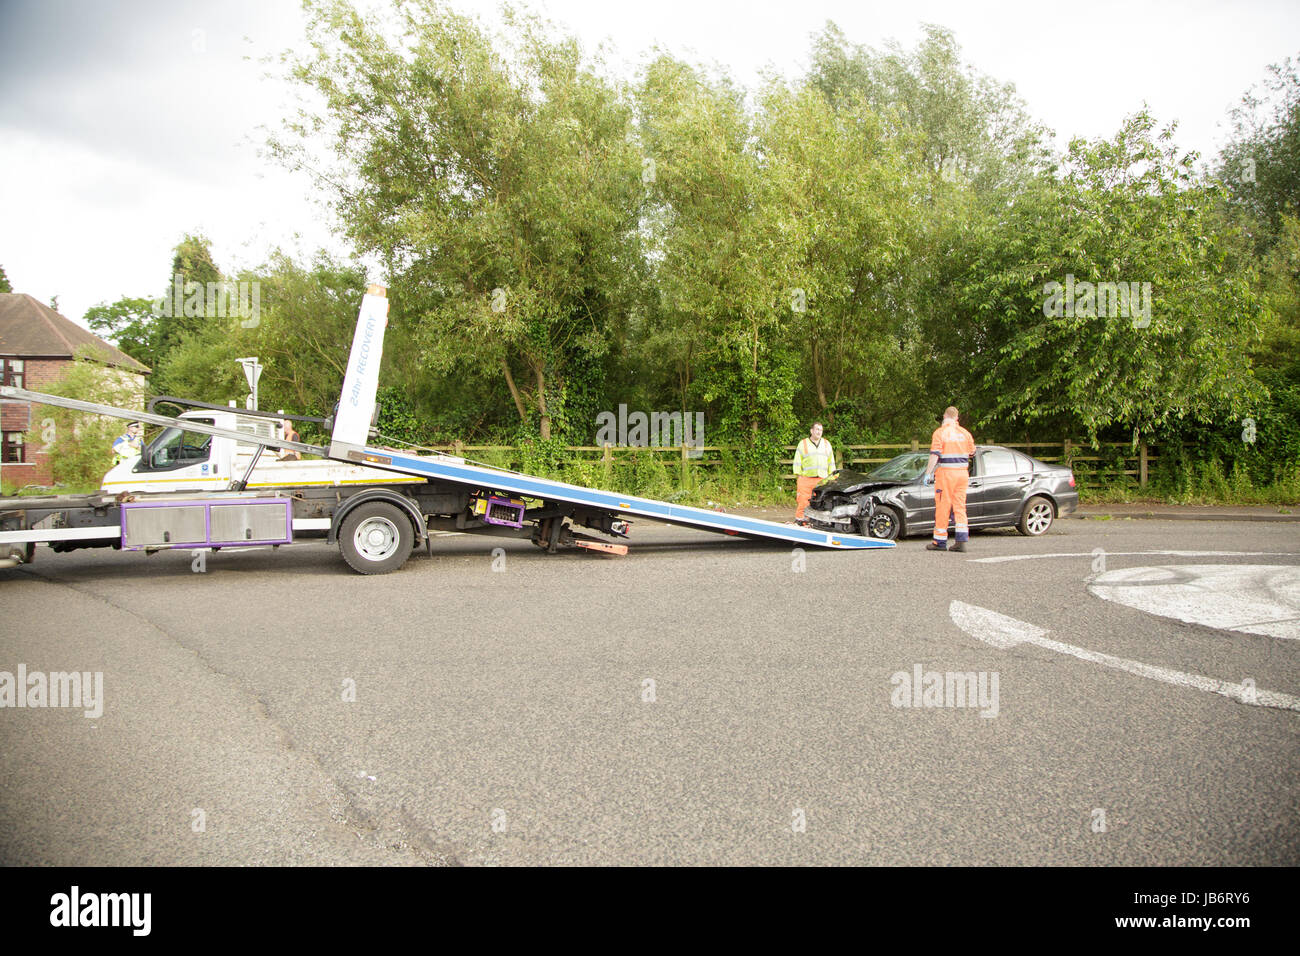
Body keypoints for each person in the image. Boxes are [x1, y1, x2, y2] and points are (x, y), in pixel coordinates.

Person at [923, 406, 976, 552]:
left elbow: (935, 455)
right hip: (962, 474)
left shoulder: (940, 433)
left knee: (943, 506)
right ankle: (961, 541)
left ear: (944, 416)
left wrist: (928, 473)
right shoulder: (965, 433)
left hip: (946, 474)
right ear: (957, 418)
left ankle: (939, 542)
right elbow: (972, 452)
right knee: (959, 507)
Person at [792, 422, 836, 522]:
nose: (819, 432)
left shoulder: (826, 444)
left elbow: (831, 462)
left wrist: (832, 478)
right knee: (803, 501)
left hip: (822, 480)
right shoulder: (803, 444)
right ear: (811, 431)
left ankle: (817, 523)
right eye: (817, 429)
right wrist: (798, 476)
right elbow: (797, 461)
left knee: (821, 502)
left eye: (820, 430)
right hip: (806, 479)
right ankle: (800, 521)